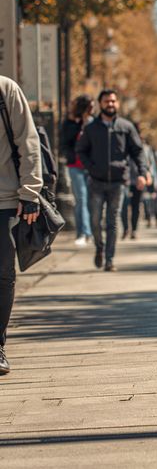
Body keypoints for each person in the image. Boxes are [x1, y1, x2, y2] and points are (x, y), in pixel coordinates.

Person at [76, 90, 148, 271]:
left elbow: (137, 151)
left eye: (113, 101)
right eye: (107, 101)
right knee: (95, 220)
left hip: (118, 181)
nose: (111, 104)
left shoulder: (126, 127)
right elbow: (81, 150)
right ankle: (99, 247)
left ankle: (109, 259)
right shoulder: (91, 129)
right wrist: (90, 167)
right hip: (96, 181)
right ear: (100, 103)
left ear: (117, 104)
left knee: (112, 221)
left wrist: (142, 172)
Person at [0, 76, 43, 376]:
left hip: (3, 198)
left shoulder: (5, 90)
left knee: (2, 272)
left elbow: (28, 141)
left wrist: (30, 193)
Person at [60, 94, 94, 247]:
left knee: (89, 200)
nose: (92, 109)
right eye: (90, 106)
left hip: (91, 167)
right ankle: (84, 233)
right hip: (75, 166)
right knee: (81, 198)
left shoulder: (93, 122)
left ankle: (87, 232)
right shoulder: (69, 123)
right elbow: (64, 143)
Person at [120, 123, 155, 240]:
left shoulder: (146, 148)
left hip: (139, 180)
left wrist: (148, 175)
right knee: (123, 205)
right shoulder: (123, 144)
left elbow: (148, 163)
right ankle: (125, 229)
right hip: (124, 179)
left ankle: (134, 230)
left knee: (136, 206)